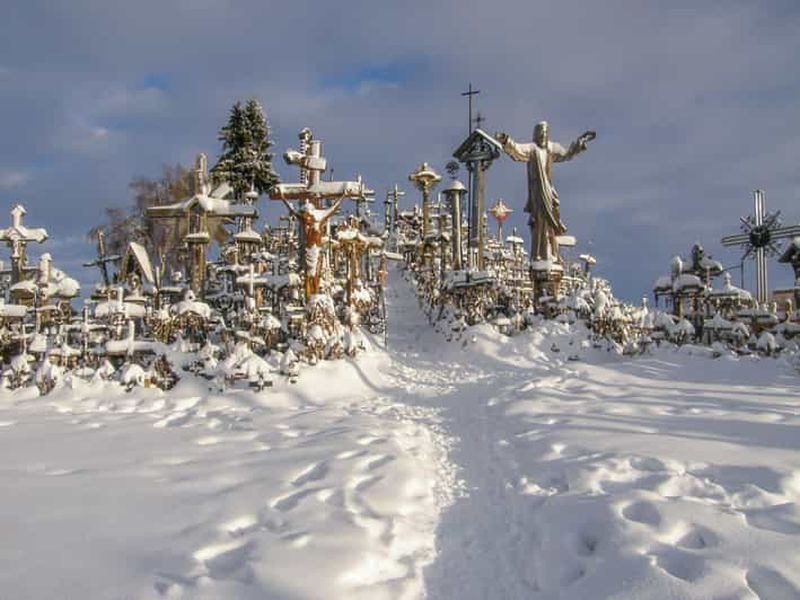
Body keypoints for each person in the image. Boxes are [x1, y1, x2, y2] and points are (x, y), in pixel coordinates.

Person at [496, 122, 595, 263]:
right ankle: (539, 253)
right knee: (539, 221)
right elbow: (517, 150)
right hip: (537, 192)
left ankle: (551, 252)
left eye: (545, 133)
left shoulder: (551, 148)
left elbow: (567, 153)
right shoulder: (532, 149)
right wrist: (506, 140)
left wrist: (580, 143)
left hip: (548, 191)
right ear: (536, 134)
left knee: (551, 222)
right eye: (540, 133)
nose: (543, 135)